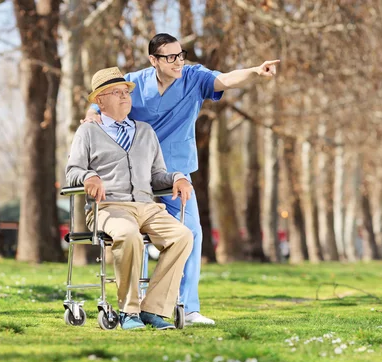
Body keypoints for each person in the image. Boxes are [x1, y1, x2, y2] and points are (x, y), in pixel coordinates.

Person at [84, 33, 280, 325]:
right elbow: (103, 103)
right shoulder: (134, 82)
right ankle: (136, 304)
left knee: (191, 232)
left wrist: (254, 71)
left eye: (181, 55)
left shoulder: (194, 77)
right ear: (154, 60)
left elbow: (225, 80)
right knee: (135, 234)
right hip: (134, 174)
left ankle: (187, 307)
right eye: (170, 57)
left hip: (174, 175)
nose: (178, 61)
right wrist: (90, 112)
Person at [66, 66, 194, 330]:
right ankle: (128, 311)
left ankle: (153, 309)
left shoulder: (146, 131)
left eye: (126, 92)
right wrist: (89, 177)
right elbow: (73, 171)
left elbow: (158, 174)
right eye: (117, 92)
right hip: (109, 207)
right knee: (129, 235)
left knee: (183, 236)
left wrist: (177, 178)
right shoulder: (88, 132)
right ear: (100, 100)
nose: (125, 97)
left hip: (148, 207)